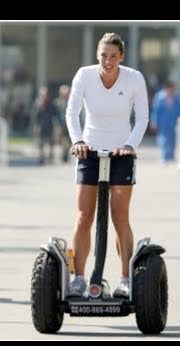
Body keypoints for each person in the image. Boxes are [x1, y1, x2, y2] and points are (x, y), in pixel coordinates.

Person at [65, 33, 149, 298]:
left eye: (113, 56)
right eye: (103, 55)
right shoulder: (84, 76)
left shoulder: (134, 78)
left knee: (120, 216)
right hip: (89, 150)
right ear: (97, 55)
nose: (108, 61)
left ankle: (125, 278)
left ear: (121, 56)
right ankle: (79, 278)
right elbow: (71, 111)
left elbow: (143, 116)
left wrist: (130, 145)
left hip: (121, 154)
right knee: (84, 216)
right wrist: (77, 140)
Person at [150, 80, 180, 163]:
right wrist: (154, 122)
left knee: (173, 140)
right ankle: (164, 157)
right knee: (163, 140)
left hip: (174, 122)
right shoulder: (159, 97)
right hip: (163, 123)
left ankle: (171, 157)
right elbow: (156, 111)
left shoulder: (176, 97)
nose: (172, 90)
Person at [31, 86, 58, 165]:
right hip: (41, 127)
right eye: (43, 94)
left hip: (49, 126)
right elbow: (34, 116)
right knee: (41, 144)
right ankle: (41, 157)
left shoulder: (51, 104)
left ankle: (50, 157)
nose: (44, 96)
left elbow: (55, 114)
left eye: (46, 94)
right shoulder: (37, 104)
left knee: (50, 143)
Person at [54, 84, 71, 163]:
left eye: (67, 93)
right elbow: (55, 115)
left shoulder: (72, 103)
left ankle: (66, 155)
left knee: (68, 141)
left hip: (69, 125)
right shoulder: (57, 103)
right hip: (61, 125)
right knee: (62, 141)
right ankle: (64, 155)